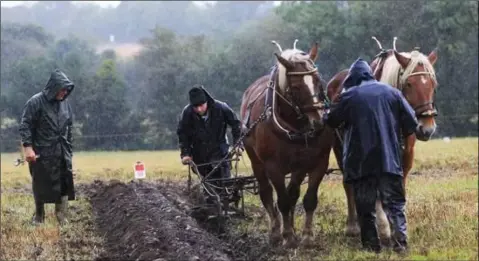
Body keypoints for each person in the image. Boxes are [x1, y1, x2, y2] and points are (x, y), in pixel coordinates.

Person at [323, 58, 421, 254]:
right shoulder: (392, 93)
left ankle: (371, 248)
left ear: (354, 79)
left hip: (360, 164)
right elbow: (411, 123)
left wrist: (326, 112)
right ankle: (400, 245)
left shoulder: (349, 96)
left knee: (366, 209)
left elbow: (332, 121)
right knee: (395, 205)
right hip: (389, 161)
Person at [19, 69, 75, 226]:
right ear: (54, 87)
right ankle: (39, 216)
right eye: (62, 89)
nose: (64, 92)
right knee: (40, 183)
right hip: (42, 152)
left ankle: (62, 216)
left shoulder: (65, 104)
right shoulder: (35, 102)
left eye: (66, 90)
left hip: (62, 151)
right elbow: (25, 125)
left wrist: (69, 148)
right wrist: (28, 147)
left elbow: (69, 127)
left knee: (64, 182)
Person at [177, 85, 243, 191]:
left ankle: (225, 202)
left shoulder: (221, 108)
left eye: (201, 105)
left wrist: (238, 144)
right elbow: (183, 134)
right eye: (195, 107)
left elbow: (236, 125)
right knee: (209, 187)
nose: (199, 109)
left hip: (220, 152)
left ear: (206, 101)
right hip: (200, 155)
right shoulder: (187, 113)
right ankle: (212, 204)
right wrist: (185, 154)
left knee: (225, 184)